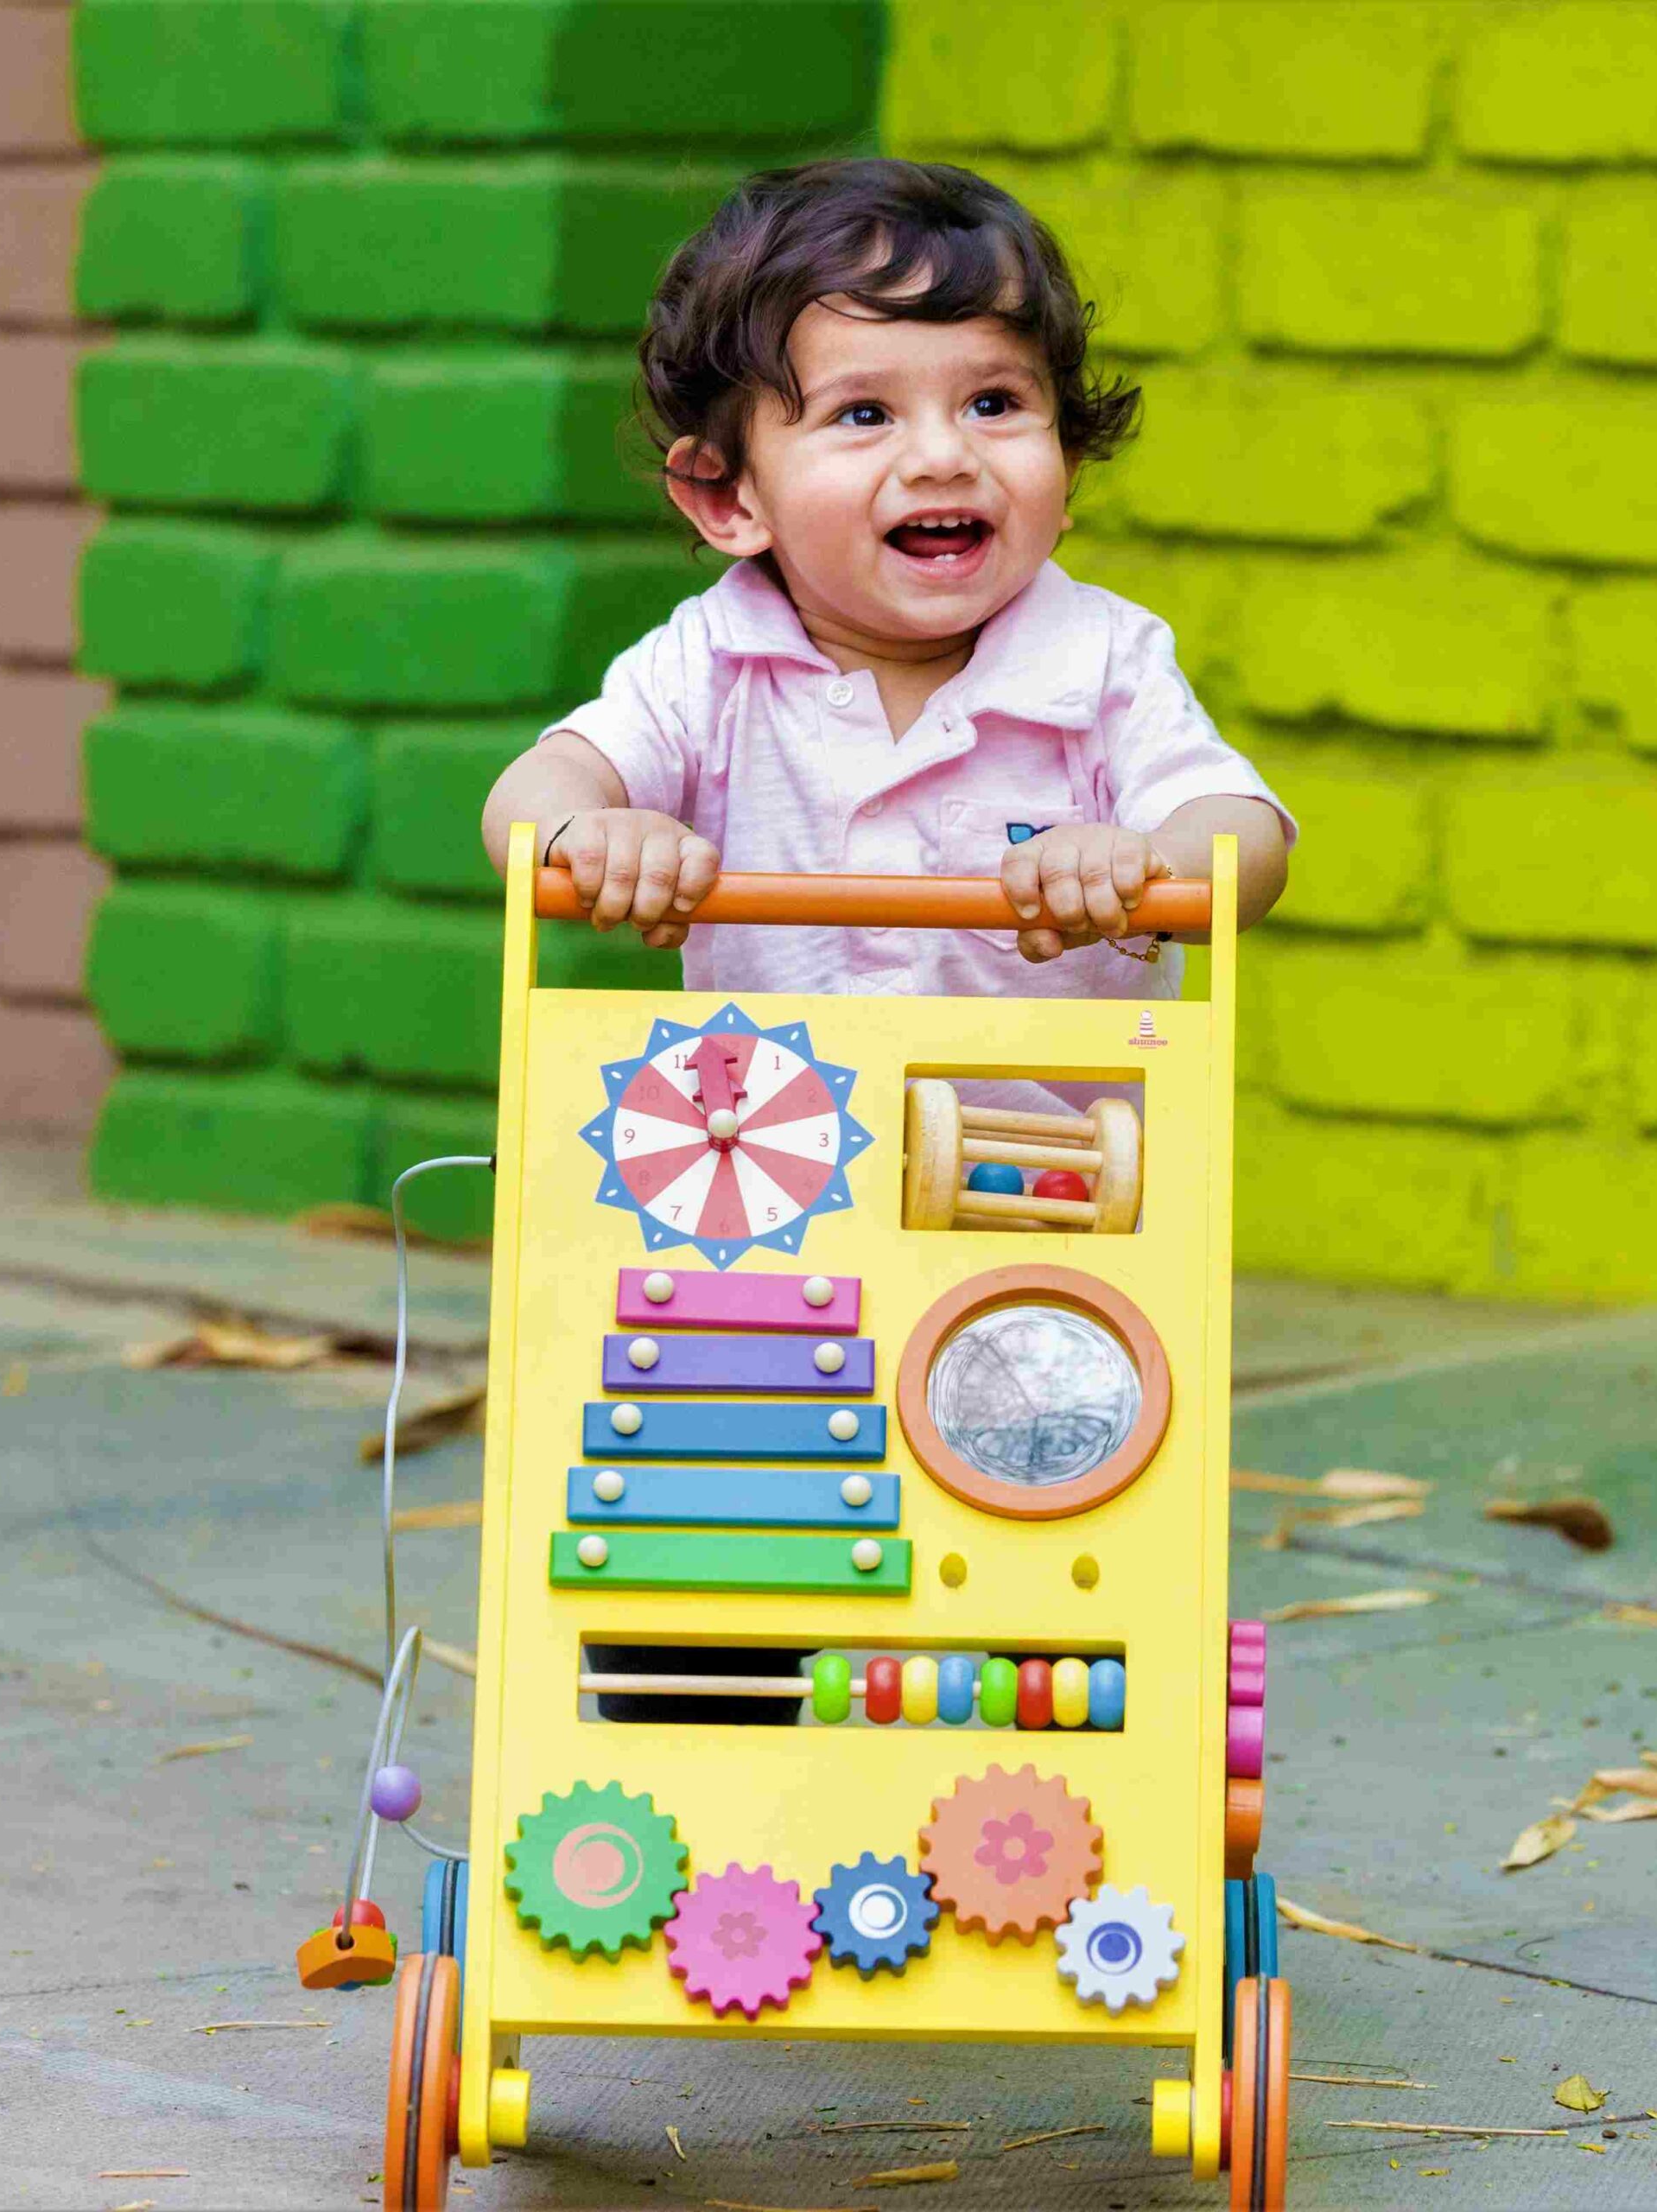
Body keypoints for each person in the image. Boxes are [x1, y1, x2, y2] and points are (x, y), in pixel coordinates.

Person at [480, 157, 1295, 1720]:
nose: (947, 456)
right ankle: (698, 1764)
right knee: (731, 1500)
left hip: (1045, 1194)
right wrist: (598, 829)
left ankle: (1030, 1806)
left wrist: (1144, 858)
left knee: (1024, 1518)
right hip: (760, 1192)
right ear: (726, 494)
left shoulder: (1105, 661)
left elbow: (1242, 839)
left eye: (997, 404)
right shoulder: (705, 666)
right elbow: (536, 797)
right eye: (864, 417)